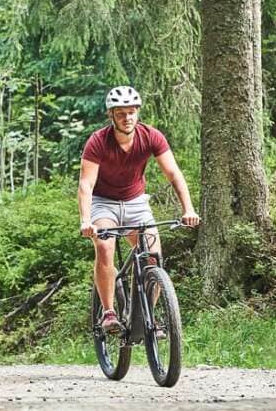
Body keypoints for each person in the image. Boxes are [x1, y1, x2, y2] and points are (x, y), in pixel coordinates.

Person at [78, 86, 199, 333]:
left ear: (138, 112)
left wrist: (188, 209)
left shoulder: (151, 137)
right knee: (104, 246)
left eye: (131, 112)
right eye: (121, 113)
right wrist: (85, 220)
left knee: (153, 258)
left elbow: (174, 174)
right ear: (111, 115)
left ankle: (147, 316)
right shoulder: (98, 141)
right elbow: (86, 183)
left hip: (136, 203)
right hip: (104, 203)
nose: (127, 118)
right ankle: (109, 313)